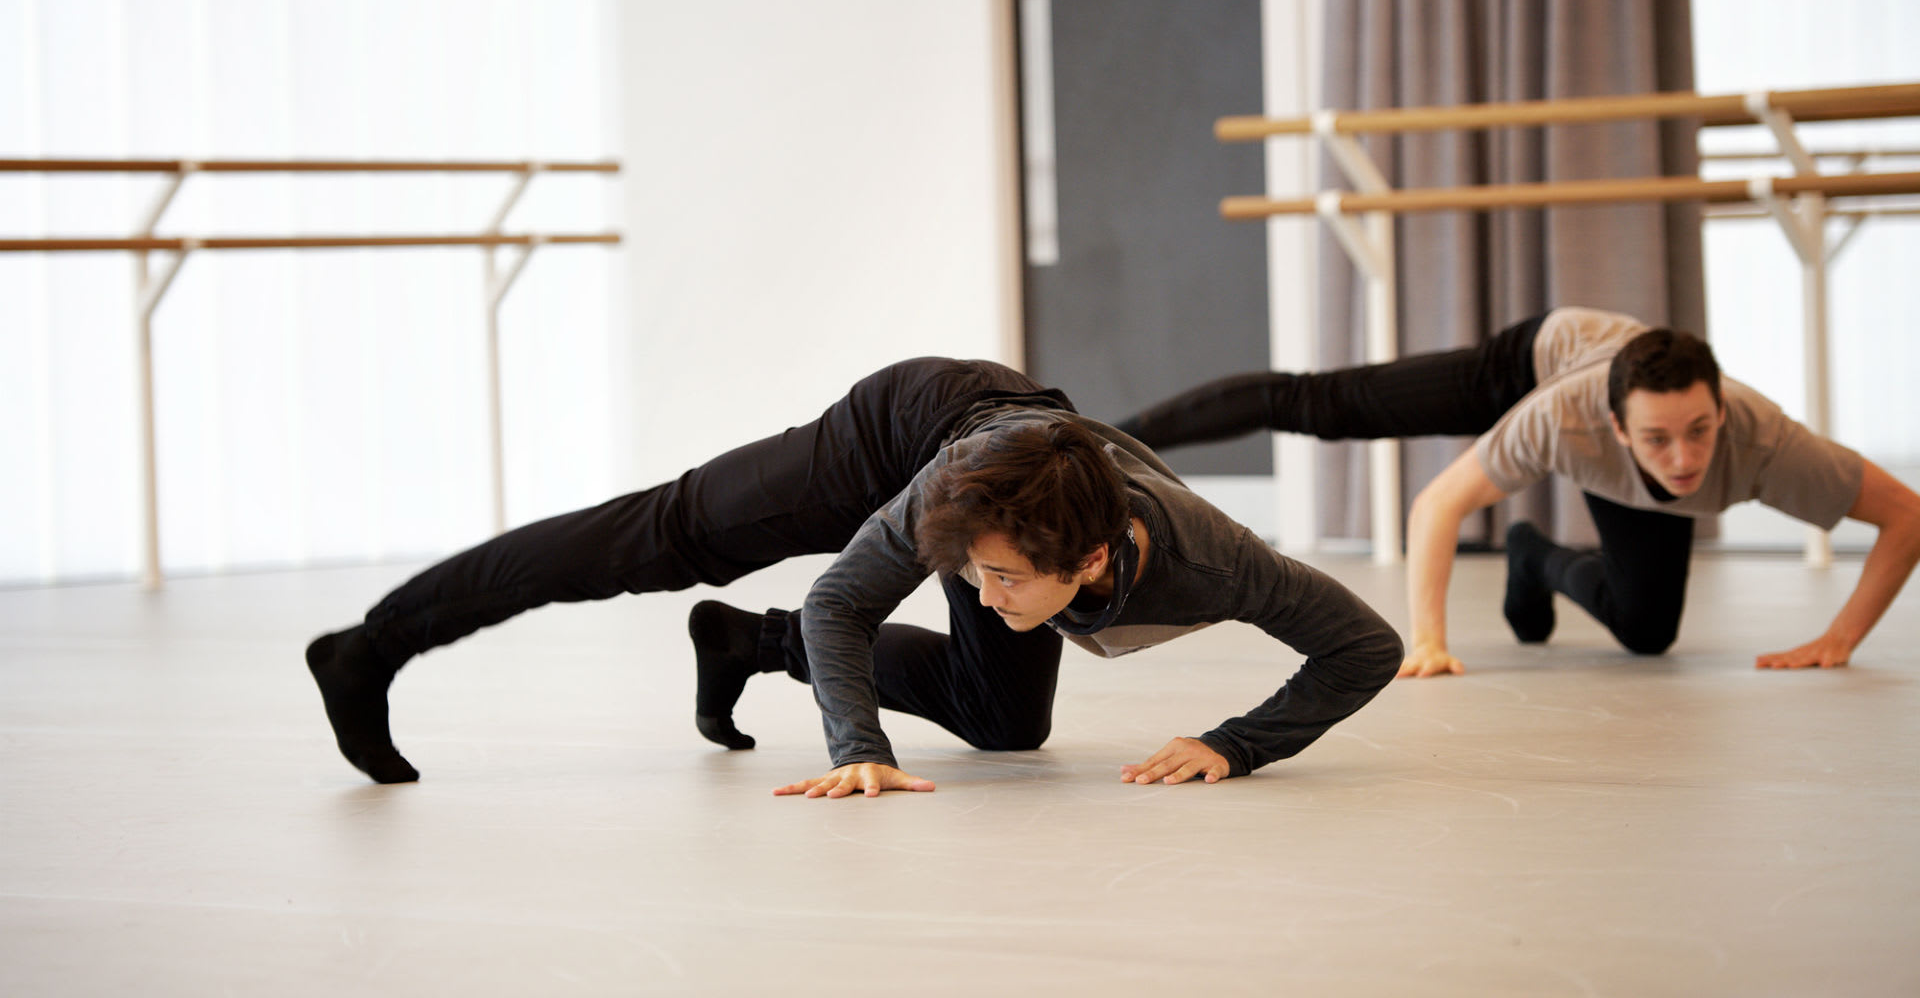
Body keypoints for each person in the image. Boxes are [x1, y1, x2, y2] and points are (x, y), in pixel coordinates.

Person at [306, 357, 1402, 797]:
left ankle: (751, 644)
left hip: (1020, 478)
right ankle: (372, 644)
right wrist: (859, 749)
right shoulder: (954, 513)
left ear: (1095, 562)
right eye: (971, 575)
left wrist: (1237, 743)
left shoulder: (1216, 559)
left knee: (1006, 726)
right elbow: (846, 595)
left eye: (1003, 581)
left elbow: (1365, 645)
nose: (981, 596)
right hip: (907, 428)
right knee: (662, 535)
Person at [1115, 308, 1920, 678]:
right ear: (1616, 427)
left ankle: (1532, 557)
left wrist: (1841, 637)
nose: (1684, 460)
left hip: (1604, 416)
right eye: (1658, 440)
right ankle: (1102, 436)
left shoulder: (1769, 442)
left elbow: (1906, 516)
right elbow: (1439, 504)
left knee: (1647, 634)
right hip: (1532, 364)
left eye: (1701, 431)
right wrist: (1428, 640)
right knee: (1327, 405)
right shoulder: (1563, 417)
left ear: (1720, 412)